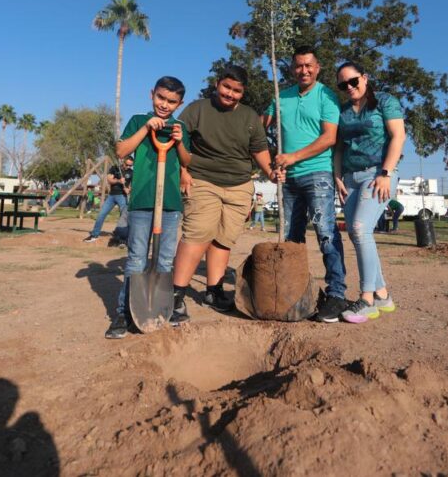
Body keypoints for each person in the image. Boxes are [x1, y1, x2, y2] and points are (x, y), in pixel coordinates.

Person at [171, 65, 276, 321]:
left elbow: (259, 149)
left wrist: (272, 173)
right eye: (226, 87)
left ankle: (214, 291)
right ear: (218, 84)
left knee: (223, 238)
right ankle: (174, 294)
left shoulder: (250, 117)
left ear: (243, 92)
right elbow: (179, 141)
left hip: (240, 185)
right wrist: (183, 171)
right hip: (202, 180)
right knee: (199, 233)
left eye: (236, 91)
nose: (230, 93)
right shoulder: (197, 109)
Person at [263, 46, 347, 323]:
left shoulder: (327, 96)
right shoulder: (281, 96)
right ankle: (294, 291)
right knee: (290, 237)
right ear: (292, 69)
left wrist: (292, 156)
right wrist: (269, 161)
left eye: (309, 65)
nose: (304, 70)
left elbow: (329, 138)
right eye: (298, 66)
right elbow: (258, 128)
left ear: (318, 67)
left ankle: (336, 293)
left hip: (317, 174)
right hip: (287, 179)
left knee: (325, 233)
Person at [104, 76, 192, 339]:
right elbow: (120, 151)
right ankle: (123, 312)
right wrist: (145, 128)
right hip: (142, 200)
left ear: (180, 103)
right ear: (152, 93)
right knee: (136, 259)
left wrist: (178, 141)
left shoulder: (180, 127)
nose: (165, 105)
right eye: (161, 98)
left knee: (165, 259)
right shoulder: (136, 121)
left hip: (170, 204)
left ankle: (163, 308)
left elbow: (188, 160)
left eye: (172, 101)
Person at [332, 62, 406, 323]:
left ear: (364, 77)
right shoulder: (342, 111)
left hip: (378, 174)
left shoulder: (384, 101)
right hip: (350, 178)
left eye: (353, 81)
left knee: (361, 228)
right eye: (343, 85)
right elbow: (339, 148)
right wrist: (337, 175)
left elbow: (398, 136)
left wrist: (386, 173)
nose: (349, 88)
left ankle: (366, 299)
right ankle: (383, 294)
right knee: (355, 233)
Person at [84, 157, 132, 243]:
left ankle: (122, 237)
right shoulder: (115, 168)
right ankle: (94, 235)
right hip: (111, 196)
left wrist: (129, 190)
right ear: (123, 162)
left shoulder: (131, 172)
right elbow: (109, 179)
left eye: (130, 165)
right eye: (127, 164)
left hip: (122, 196)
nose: (128, 167)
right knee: (101, 214)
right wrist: (118, 181)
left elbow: (133, 185)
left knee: (123, 217)